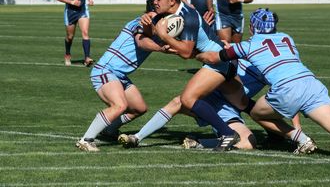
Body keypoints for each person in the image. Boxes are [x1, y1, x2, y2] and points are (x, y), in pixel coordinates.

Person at [196, 8, 330, 148]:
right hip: (311, 83)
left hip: (287, 88)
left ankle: (299, 138)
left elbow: (215, 58)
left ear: (252, 27)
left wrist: (197, 53)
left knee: (255, 113)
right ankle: (293, 137)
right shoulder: (287, 38)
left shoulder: (248, 46)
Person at [142, 0, 259, 151]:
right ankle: (283, 133)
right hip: (217, 61)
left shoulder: (187, 16)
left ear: (172, 1)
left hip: (219, 60)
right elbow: (150, 37)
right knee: (244, 105)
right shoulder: (168, 15)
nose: (155, 2)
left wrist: (165, 37)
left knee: (188, 99)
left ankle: (227, 133)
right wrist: (146, 22)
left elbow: (185, 52)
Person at [118, 59, 313, 153]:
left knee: (249, 143)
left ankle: (199, 142)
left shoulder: (272, 67)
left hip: (229, 109)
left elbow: (286, 96)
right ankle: (137, 137)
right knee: (179, 101)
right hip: (210, 98)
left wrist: (296, 128)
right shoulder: (244, 50)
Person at [75, 0, 174, 152]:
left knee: (139, 108)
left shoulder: (155, 30)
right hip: (106, 70)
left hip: (119, 75)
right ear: (152, 13)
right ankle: (86, 140)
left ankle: (109, 130)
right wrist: (161, 48)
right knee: (119, 106)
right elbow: (142, 42)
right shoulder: (139, 23)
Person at [56, 0, 94, 67]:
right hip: (70, 12)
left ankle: (87, 58)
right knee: (70, 36)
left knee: (85, 32)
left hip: (83, 10)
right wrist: (71, 2)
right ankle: (67, 54)